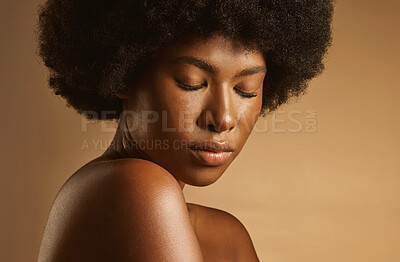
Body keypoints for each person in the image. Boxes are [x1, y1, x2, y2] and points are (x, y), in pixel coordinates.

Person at [36, 0, 334, 261]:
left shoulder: (225, 235)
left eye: (246, 89)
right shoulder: (136, 187)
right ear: (125, 76)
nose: (224, 118)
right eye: (192, 82)